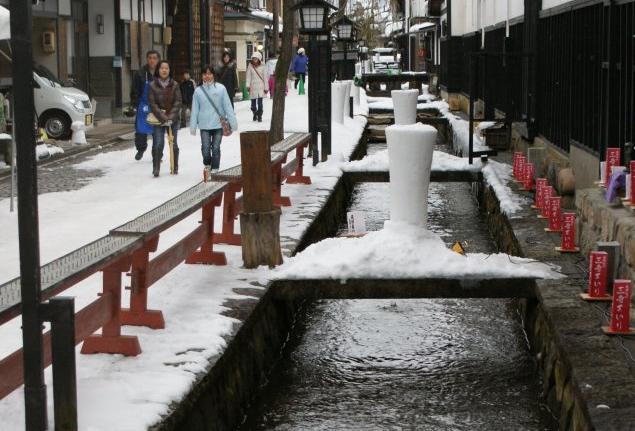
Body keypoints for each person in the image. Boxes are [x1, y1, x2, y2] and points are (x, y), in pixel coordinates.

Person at [190, 65, 238, 177]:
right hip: (204, 125)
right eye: (205, 73)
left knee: (216, 147)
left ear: (213, 75)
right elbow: (195, 110)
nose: (207, 76)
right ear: (201, 75)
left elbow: (227, 106)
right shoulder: (198, 91)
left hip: (218, 125)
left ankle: (215, 168)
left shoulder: (221, 89)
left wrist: (233, 123)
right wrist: (193, 126)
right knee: (205, 148)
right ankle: (207, 164)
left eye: (210, 73)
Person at [148, 60, 182, 177]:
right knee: (158, 143)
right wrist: (163, 117)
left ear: (169, 70)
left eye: (166, 68)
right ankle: (156, 167)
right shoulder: (152, 85)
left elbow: (178, 102)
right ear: (158, 70)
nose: (164, 70)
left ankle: (175, 166)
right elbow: (152, 104)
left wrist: (170, 117)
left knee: (174, 143)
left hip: (173, 119)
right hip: (158, 119)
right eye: (162, 68)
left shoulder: (175, 85)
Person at [130, 50, 160, 161]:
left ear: (158, 60)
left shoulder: (161, 72)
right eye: (150, 58)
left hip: (157, 106)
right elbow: (135, 90)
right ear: (147, 59)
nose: (152, 60)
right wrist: (135, 103)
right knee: (140, 129)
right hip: (143, 106)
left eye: (154, 58)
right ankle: (141, 149)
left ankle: (156, 153)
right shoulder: (140, 73)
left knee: (157, 131)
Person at [245, 51, 268, 122]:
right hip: (253, 87)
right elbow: (248, 77)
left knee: (260, 104)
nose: (254, 60)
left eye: (256, 59)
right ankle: (255, 113)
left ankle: (260, 115)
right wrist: (247, 85)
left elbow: (265, 78)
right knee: (253, 105)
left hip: (261, 87)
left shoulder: (263, 66)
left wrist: (266, 87)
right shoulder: (250, 66)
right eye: (253, 58)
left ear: (259, 59)